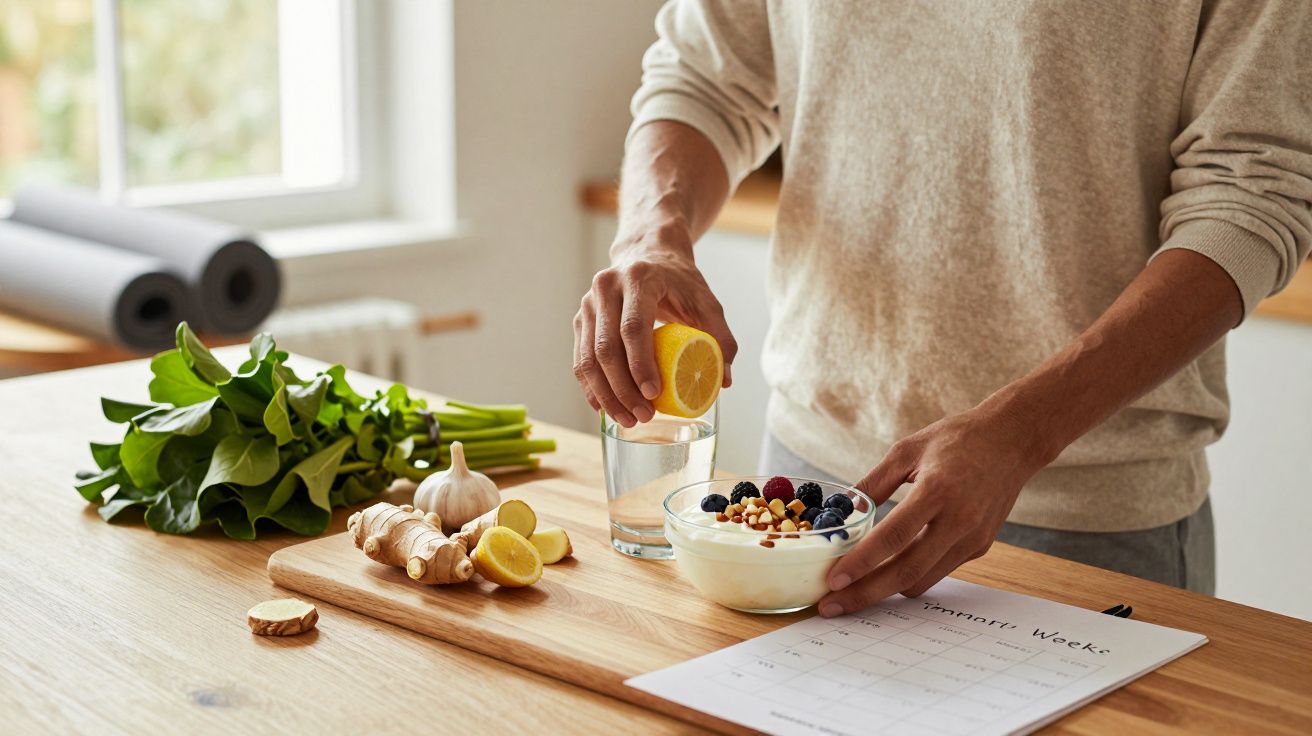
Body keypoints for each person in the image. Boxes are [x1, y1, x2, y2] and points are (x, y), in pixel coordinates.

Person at [572, 0, 1311, 617]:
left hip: (1082, 516)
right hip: (805, 485)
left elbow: (1253, 192)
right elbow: (704, 76)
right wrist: (650, 233)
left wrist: (1022, 434)